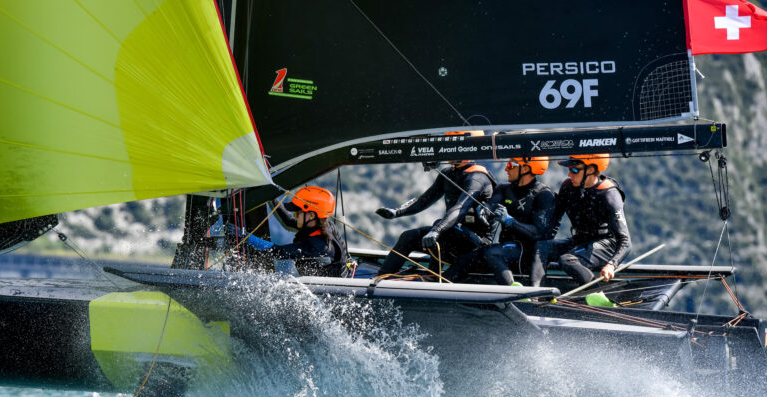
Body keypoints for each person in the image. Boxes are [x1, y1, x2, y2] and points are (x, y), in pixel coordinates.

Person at [375, 131, 495, 277]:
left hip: (476, 245)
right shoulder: (448, 172)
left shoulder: (477, 178)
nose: (447, 148)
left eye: (452, 144)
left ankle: (433, 276)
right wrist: (396, 213)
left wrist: (437, 229)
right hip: (452, 236)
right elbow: (425, 199)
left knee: (441, 227)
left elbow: (460, 208)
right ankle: (380, 278)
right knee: (409, 236)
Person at [443, 155, 555, 284]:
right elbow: (491, 204)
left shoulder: (543, 194)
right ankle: (441, 284)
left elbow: (538, 233)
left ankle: (514, 294)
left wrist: (511, 221)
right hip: (505, 248)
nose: (506, 169)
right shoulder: (503, 188)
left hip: (528, 254)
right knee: (467, 258)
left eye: (511, 165)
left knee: (492, 253)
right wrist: (484, 210)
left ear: (525, 169)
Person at [531, 153, 630, 287]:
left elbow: (626, 242)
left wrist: (611, 265)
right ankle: (535, 293)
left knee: (567, 260)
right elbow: (554, 220)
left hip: (606, 245)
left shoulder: (609, 194)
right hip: (581, 241)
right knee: (542, 246)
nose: (569, 174)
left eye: (574, 170)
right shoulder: (568, 187)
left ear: (590, 170)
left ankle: (596, 292)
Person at [226, 186, 351, 277]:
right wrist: (270, 196)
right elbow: (288, 221)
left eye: (297, 212)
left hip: (331, 291)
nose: (294, 215)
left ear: (311, 216)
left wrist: (246, 237)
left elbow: (277, 252)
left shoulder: (319, 246)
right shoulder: (321, 225)